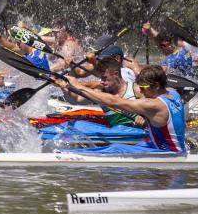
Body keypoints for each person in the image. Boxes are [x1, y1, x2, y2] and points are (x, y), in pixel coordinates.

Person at [56, 65, 185, 152]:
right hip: (162, 146)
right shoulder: (173, 93)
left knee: (115, 149)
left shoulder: (153, 105)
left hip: (167, 154)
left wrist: (78, 85)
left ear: (156, 85)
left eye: (143, 88)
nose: (140, 91)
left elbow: (114, 101)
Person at [62, 58, 144, 127]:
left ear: (116, 74)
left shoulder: (136, 90)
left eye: (104, 78)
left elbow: (154, 110)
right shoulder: (100, 91)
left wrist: (144, 118)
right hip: (115, 134)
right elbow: (76, 99)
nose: (102, 82)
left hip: (137, 133)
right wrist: (63, 86)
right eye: (101, 78)